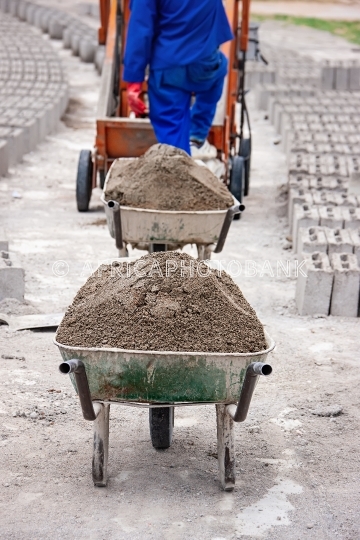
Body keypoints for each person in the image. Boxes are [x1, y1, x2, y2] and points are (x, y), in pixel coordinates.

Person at [123, 0, 233, 160]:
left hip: (167, 67)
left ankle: (178, 162)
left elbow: (140, 28)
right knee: (219, 68)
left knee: (171, 127)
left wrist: (134, 80)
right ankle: (196, 135)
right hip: (204, 62)